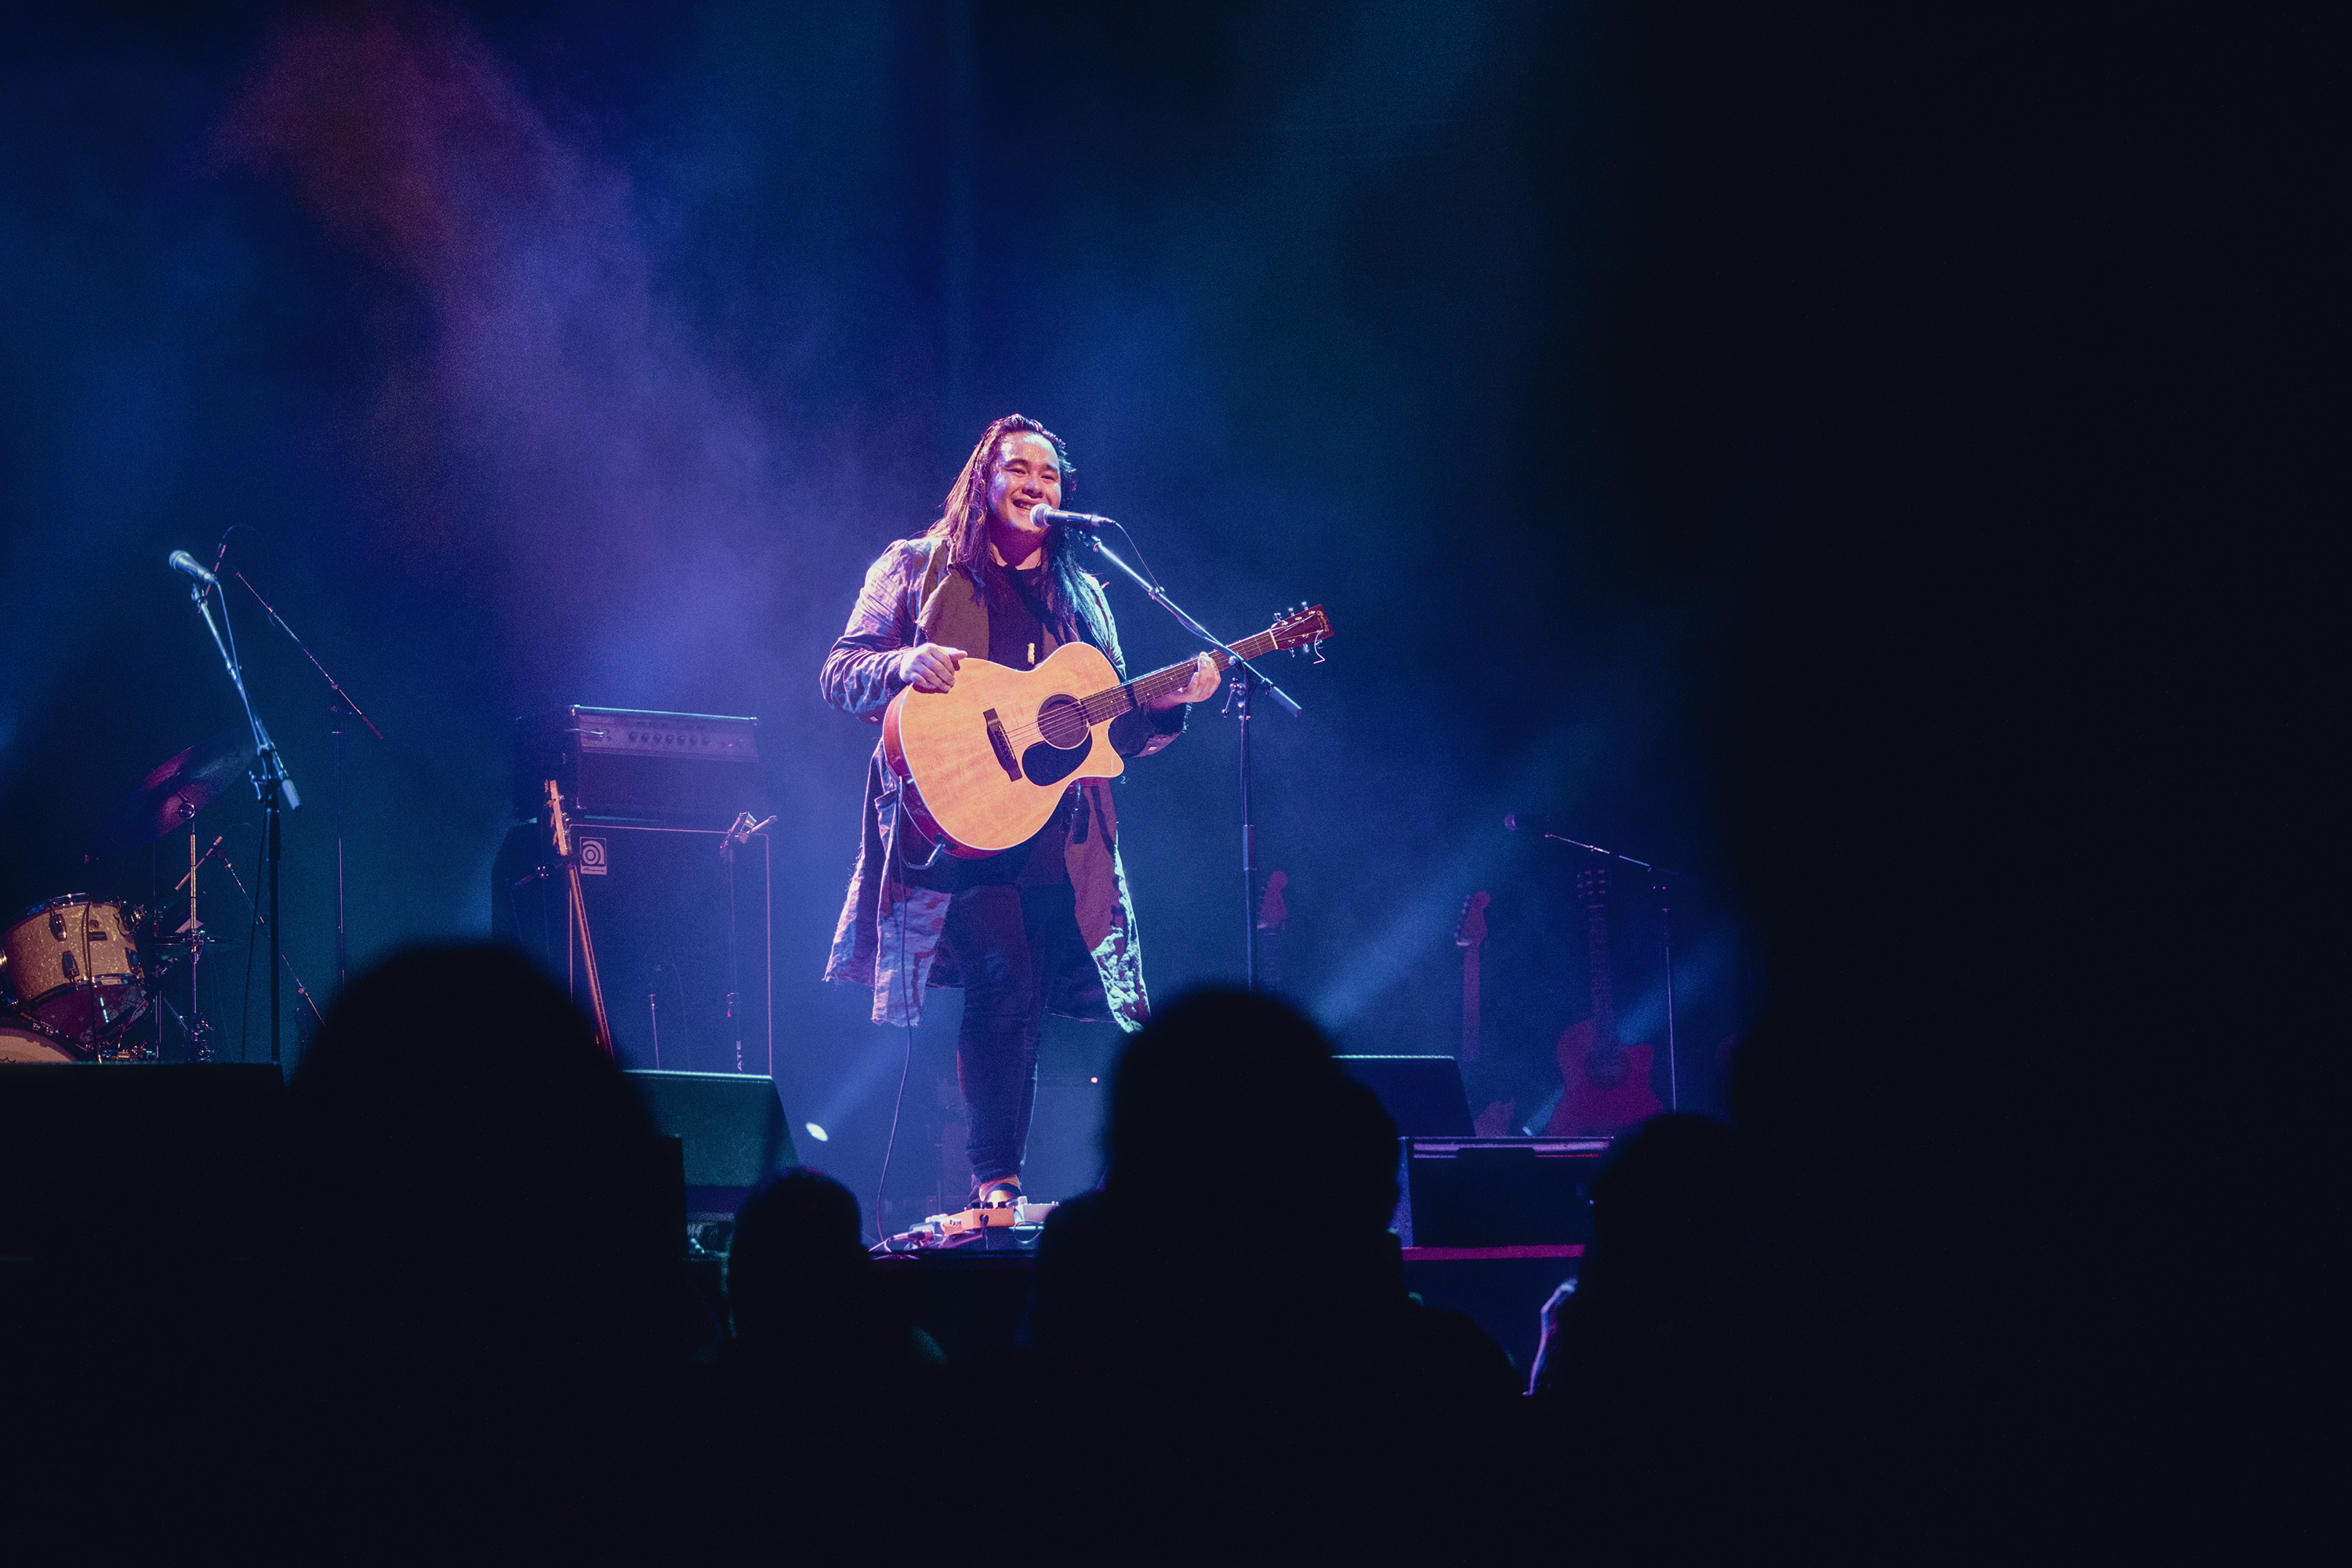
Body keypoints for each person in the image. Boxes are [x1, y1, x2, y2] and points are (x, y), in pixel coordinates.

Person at [821, 414, 1217, 1210]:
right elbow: (841, 671)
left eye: (1051, 475)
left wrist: (1171, 705)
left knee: (1030, 1001)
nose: (1037, 484)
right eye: (1019, 468)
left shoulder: (1084, 595)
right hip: (951, 830)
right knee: (1001, 984)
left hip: (1058, 836)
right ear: (982, 478)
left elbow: (1113, 735)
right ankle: (994, 1177)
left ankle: (1048, 1188)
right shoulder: (916, 567)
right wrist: (903, 660)